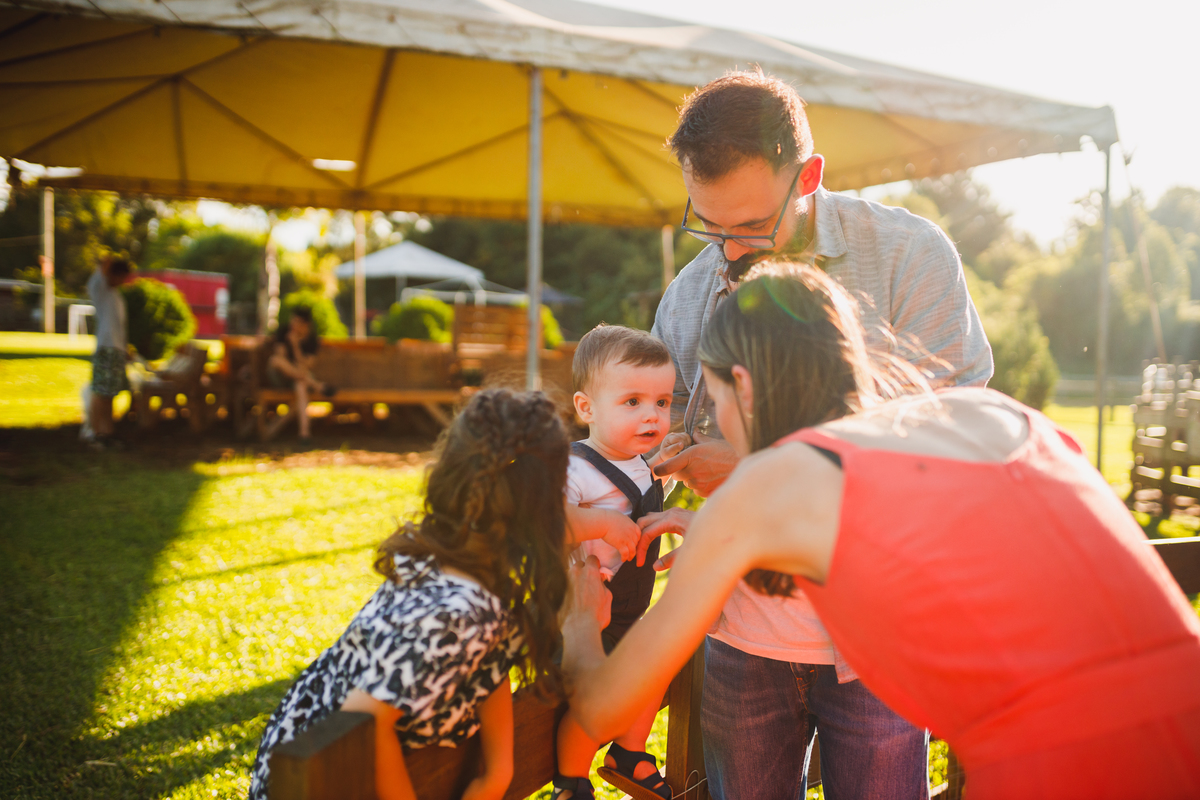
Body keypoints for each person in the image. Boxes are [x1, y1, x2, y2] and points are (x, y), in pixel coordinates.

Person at [562, 265, 1200, 800]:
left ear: (745, 385)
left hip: (1052, 769)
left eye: (715, 401)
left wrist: (582, 625)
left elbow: (605, 708)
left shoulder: (765, 484)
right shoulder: (992, 413)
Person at [651, 69, 993, 798]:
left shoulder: (909, 257)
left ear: (808, 176)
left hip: (881, 628)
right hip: (742, 634)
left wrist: (750, 466)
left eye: (749, 225)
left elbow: (957, 436)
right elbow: (658, 435)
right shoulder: (687, 297)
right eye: (708, 225)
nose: (730, 252)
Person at [249, 389, 570, 800]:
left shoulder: (452, 554)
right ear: (544, 504)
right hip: (320, 780)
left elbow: (488, 660)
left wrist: (498, 769)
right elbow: (365, 717)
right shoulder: (459, 611)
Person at [552, 325, 687, 800]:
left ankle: (629, 753)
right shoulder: (576, 468)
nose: (651, 414)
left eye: (662, 402)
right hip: (584, 619)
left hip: (629, 608)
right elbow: (543, 522)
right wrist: (602, 526)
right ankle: (570, 779)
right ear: (586, 408)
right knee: (595, 699)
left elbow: (642, 507)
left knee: (658, 664)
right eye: (632, 402)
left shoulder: (641, 463)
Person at [265, 307, 335, 444]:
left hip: (299, 378)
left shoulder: (312, 340)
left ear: (305, 325)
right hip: (280, 377)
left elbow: (305, 366)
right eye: (292, 321)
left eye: (297, 322)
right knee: (275, 361)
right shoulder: (284, 332)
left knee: (301, 385)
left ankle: (304, 434)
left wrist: (295, 345)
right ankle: (318, 386)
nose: (293, 325)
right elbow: (280, 359)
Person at [85, 256, 132, 450]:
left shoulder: (117, 296)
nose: (123, 281)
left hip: (117, 351)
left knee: (110, 393)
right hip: (105, 349)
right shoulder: (101, 291)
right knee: (100, 392)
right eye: (120, 276)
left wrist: (125, 347)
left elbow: (120, 327)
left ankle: (107, 432)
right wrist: (105, 264)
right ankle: (95, 434)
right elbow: (97, 277)